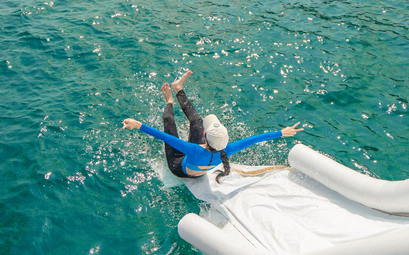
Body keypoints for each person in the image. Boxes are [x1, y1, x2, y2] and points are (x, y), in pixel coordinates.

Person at [122, 70, 303, 183]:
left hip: (178, 168)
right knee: (197, 122)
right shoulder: (228, 149)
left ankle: (170, 99)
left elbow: (163, 136)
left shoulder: (192, 149)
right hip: (199, 170)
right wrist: (281, 132)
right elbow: (256, 139)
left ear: (205, 136)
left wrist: (138, 125)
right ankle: (178, 89)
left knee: (170, 124)